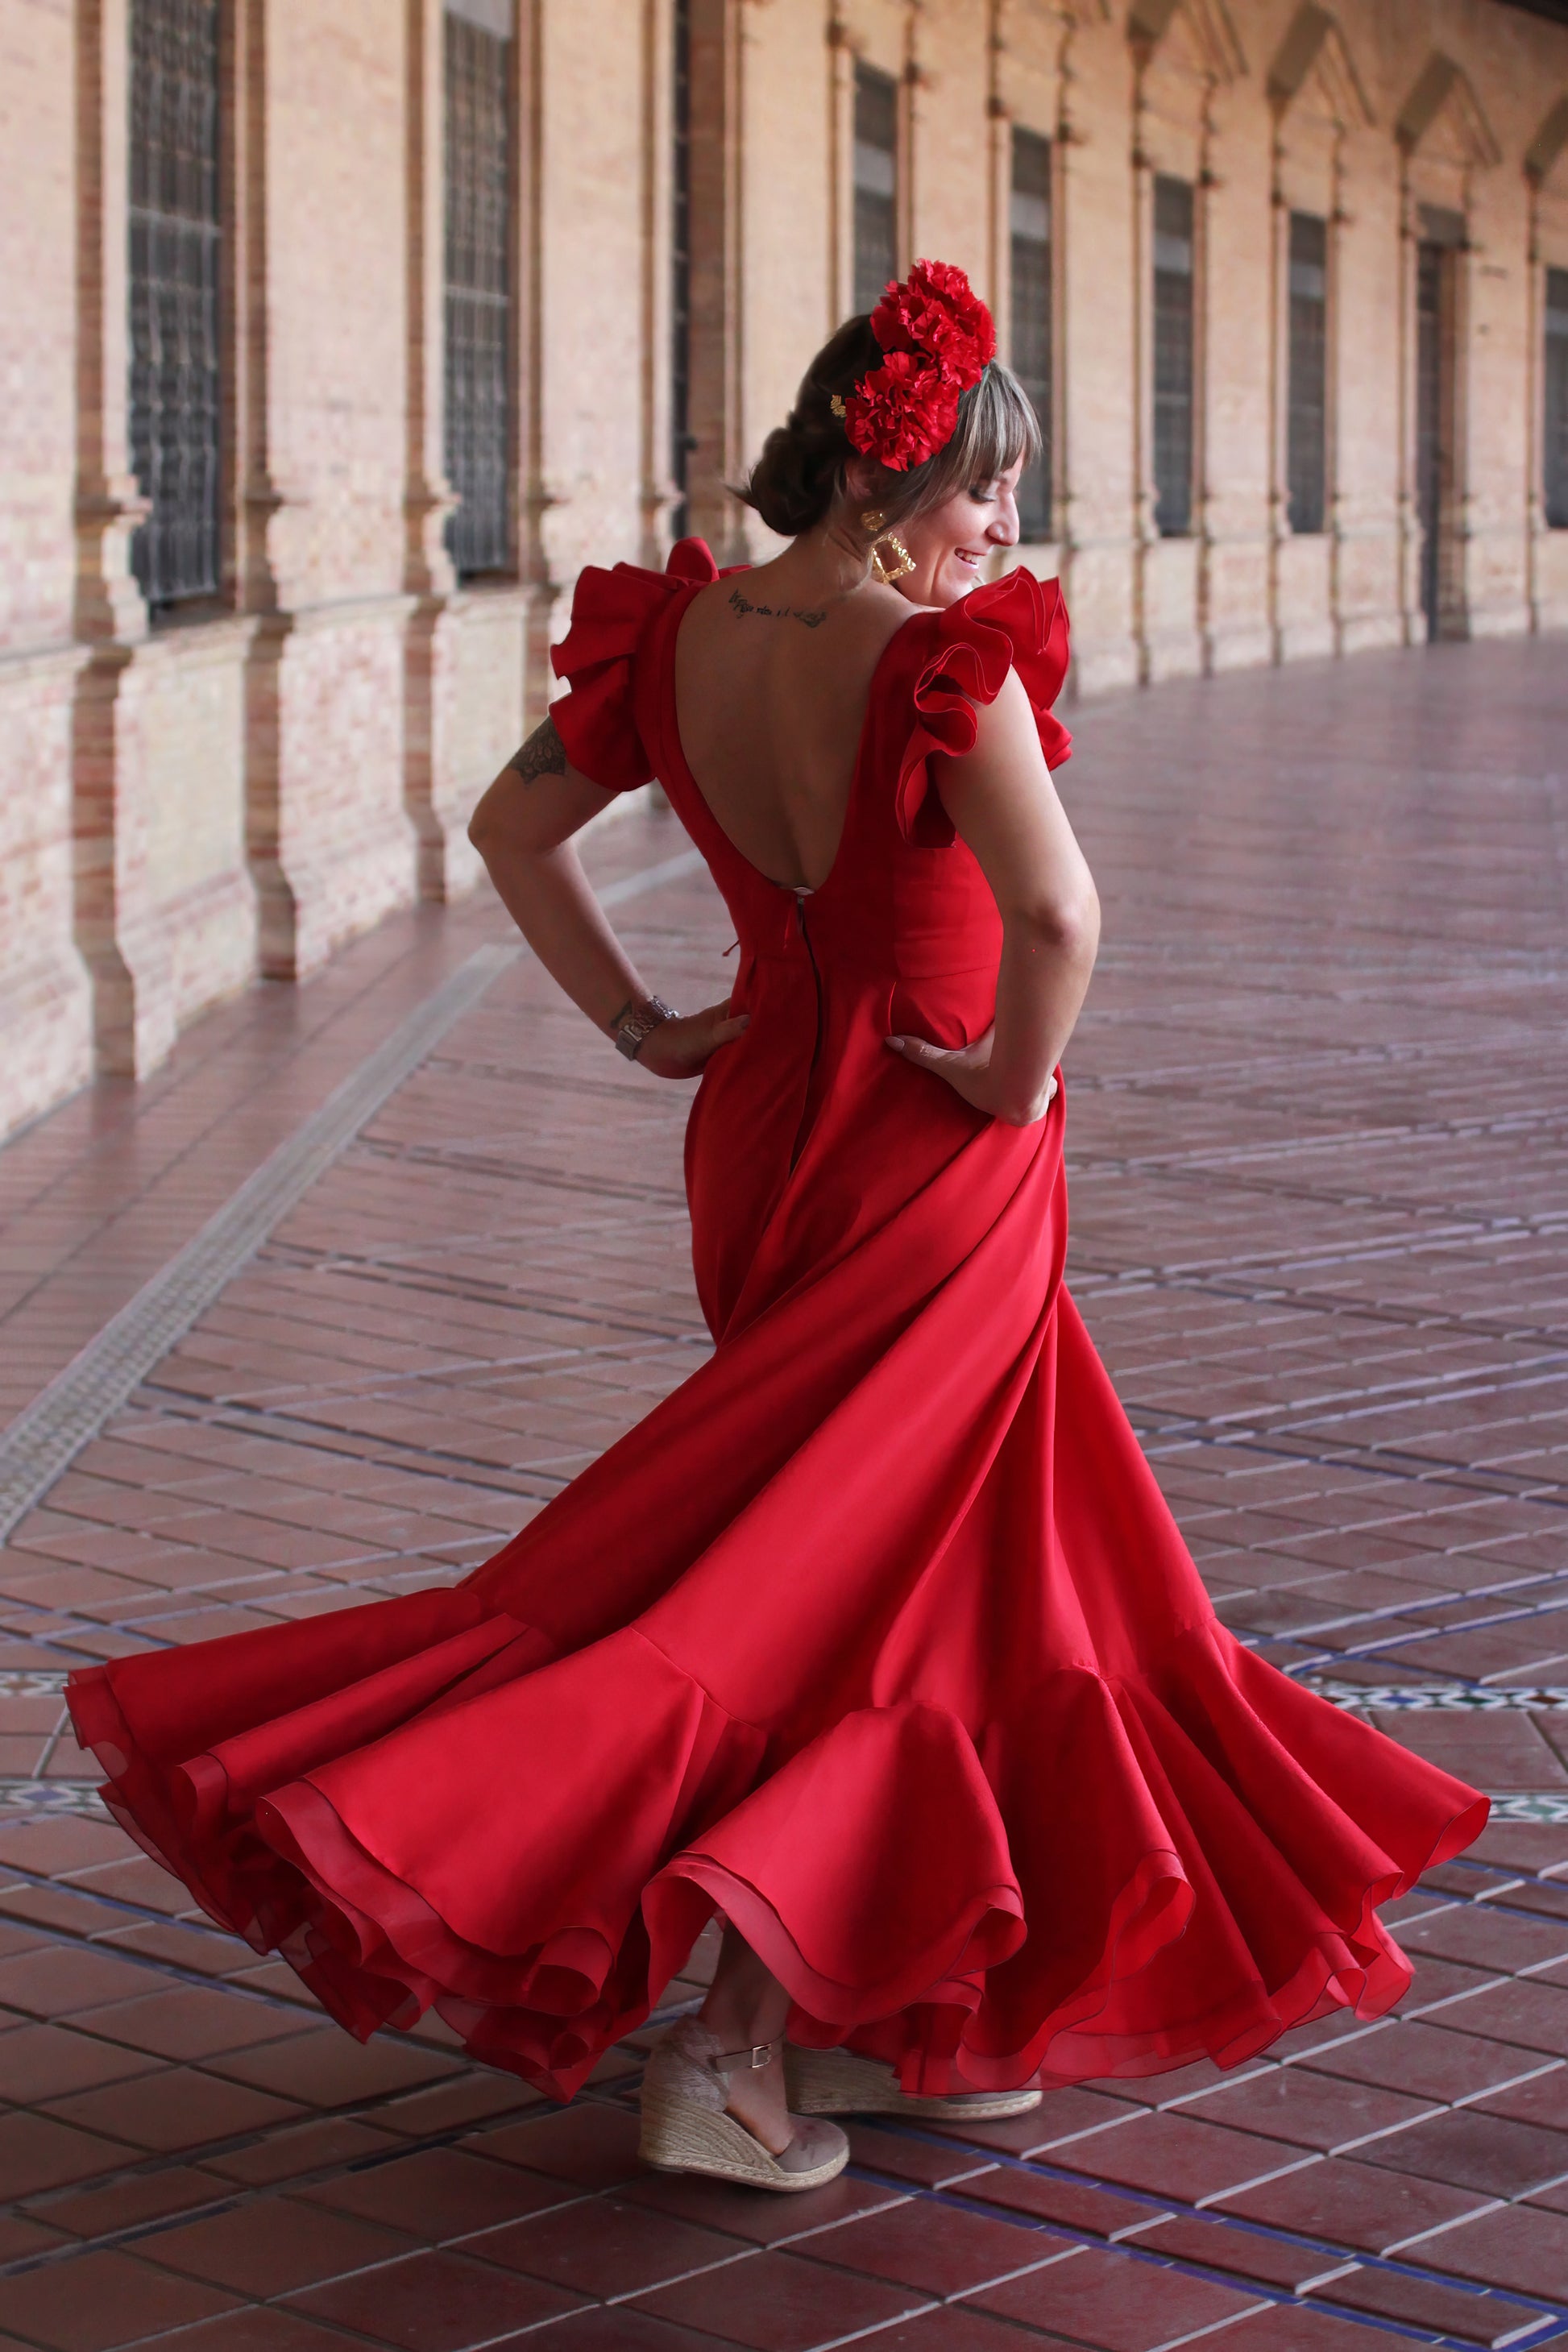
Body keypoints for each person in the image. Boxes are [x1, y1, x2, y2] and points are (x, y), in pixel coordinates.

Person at [68, 263, 1487, 2199]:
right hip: (933, 1151)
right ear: (893, 477)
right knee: (821, 1586)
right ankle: (728, 2047)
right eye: (988, 488)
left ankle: (874, 2000)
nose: (1006, 527)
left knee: (906, 1568)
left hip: (761, 1131)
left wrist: (646, 1024)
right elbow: (1060, 920)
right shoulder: (936, 661)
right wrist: (1007, 1080)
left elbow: (505, 833)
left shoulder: (684, 642)